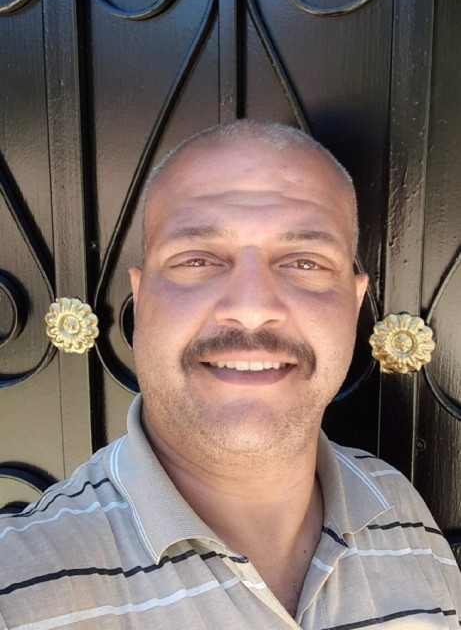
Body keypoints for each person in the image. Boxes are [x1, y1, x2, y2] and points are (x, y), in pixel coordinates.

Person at [0, 120, 460, 630]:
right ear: (142, 298)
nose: (251, 308)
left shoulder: (400, 508)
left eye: (304, 262)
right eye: (198, 259)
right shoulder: (18, 588)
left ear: (353, 306)